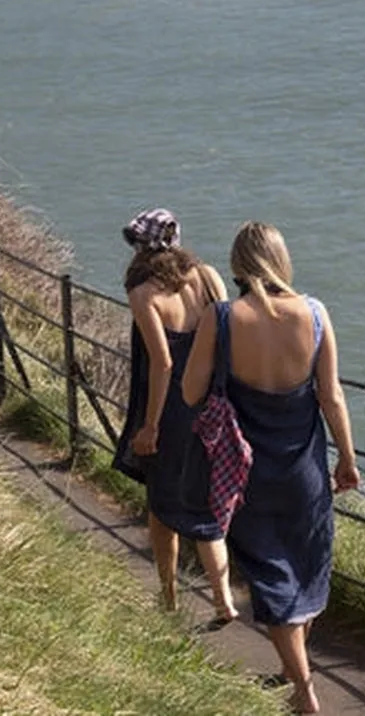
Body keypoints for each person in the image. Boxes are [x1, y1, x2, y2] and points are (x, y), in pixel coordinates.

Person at [181, 221, 360, 715]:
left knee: (271, 575)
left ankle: (302, 691)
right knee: (304, 571)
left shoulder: (221, 317)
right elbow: (332, 396)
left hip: (246, 475)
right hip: (305, 470)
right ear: (282, 260)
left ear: (238, 265)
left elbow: (191, 393)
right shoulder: (316, 314)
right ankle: (296, 674)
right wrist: (347, 457)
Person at [113, 208, 238, 625]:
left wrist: (150, 426)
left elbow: (162, 364)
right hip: (212, 404)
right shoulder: (207, 276)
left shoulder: (143, 292)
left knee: (162, 506)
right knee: (206, 507)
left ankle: (169, 597)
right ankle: (223, 600)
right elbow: (227, 339)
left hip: (172, 411)